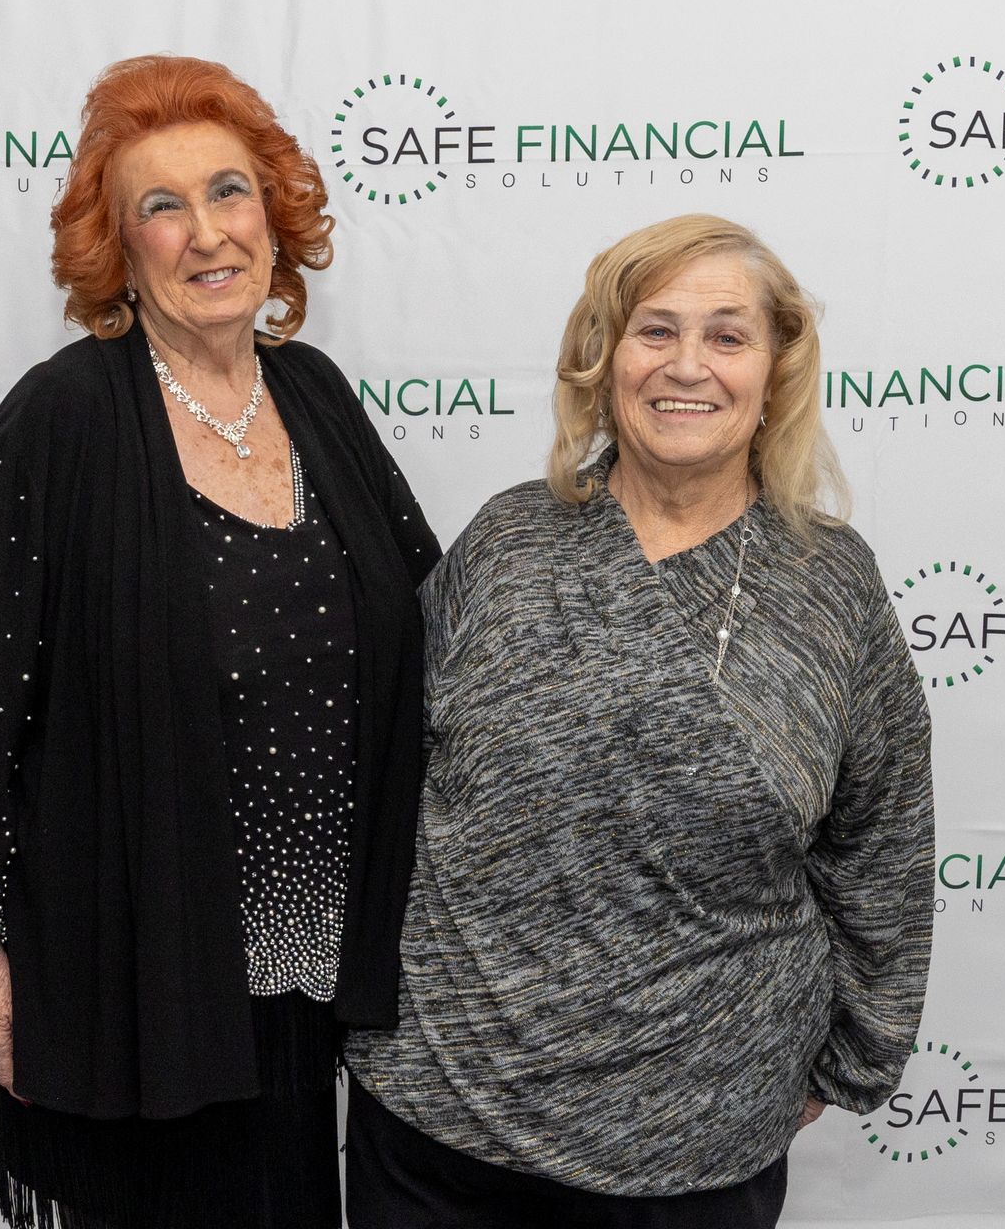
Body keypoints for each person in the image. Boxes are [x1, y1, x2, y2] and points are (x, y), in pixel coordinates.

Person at [0, 54, 440, 1229]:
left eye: (230, 192)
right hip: (133, 963)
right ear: (119, 247)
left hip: (308, 966)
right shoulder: (65, 417)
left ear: (275, 215)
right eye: (163, 205)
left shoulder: (319, 397)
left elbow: (435, 621)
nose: (207, 233)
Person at [342, 214, 935, 1228]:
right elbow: (384, 777)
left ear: (775, 367)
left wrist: (855, 1056)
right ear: (606, 357)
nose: (687, 366)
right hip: (441, 1125)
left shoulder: (830, 583)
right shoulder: (508, 540)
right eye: (655, 330)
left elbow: (882, 846)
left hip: (697, 1148)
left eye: (727, 335)